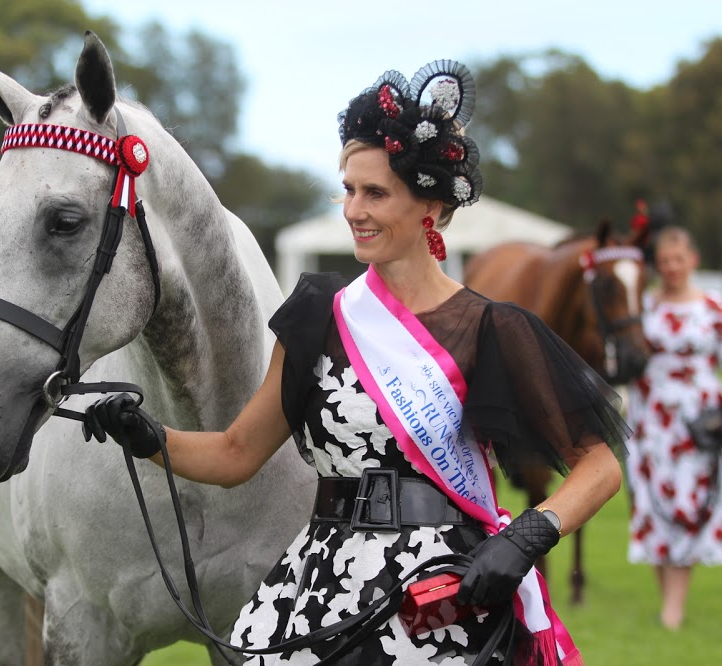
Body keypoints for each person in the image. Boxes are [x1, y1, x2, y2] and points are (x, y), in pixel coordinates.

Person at [83, 61, 630, 665]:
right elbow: (237, 454)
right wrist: (146, 437)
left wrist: (528, 536)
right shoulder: (318, 314)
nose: (353, 209)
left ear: (429, 205)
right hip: (323, 586)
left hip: (444, 593)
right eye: (348, 189)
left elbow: (599, 465)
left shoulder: (492, 329)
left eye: (375, 193)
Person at [625, 226, 722, 630]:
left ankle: (673, 610)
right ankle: (667, 601)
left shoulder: (712, 311)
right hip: (649, 420)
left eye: (679, 260)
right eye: (665, 261)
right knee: (652, 505)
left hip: (697, 424)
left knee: (686, 502)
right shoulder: (643, 307)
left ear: (693, 261)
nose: (672, 268)